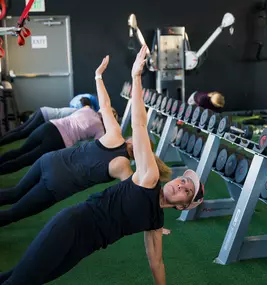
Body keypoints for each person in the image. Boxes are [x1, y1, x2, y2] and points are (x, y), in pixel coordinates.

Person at [0, 46, 204, 285]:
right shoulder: (147, 177)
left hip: (85, 246)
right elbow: (139, 125)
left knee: (22, 278)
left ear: (183, 206)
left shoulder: (155, 223)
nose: (181, 186)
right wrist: (136, 77)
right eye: (183, 181)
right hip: (72, 225)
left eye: (187, 192)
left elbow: (156, 262)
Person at [0, 57, 168, 227]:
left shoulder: (115, 135)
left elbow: (105, 104)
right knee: (13, 213)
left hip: (49, 160)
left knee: (14, 193)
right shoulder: (123, 167)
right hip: (56, 184)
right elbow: (137, 195)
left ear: (133, 139)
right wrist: (155, 220)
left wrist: (98, 76)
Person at [0, 97, 106, 175]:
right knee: (23, 161)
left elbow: (84, 103)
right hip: (58, 140)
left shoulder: (87, 109)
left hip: (49, 126)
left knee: (20, 151)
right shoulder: (100, 129)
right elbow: (96, 148)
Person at [0, 106, 77, 146]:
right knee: (22, 133)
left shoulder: (78, 110)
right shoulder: (79, 113)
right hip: (44, 116)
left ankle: (2, 139)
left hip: (43, 111)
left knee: (20, 130)